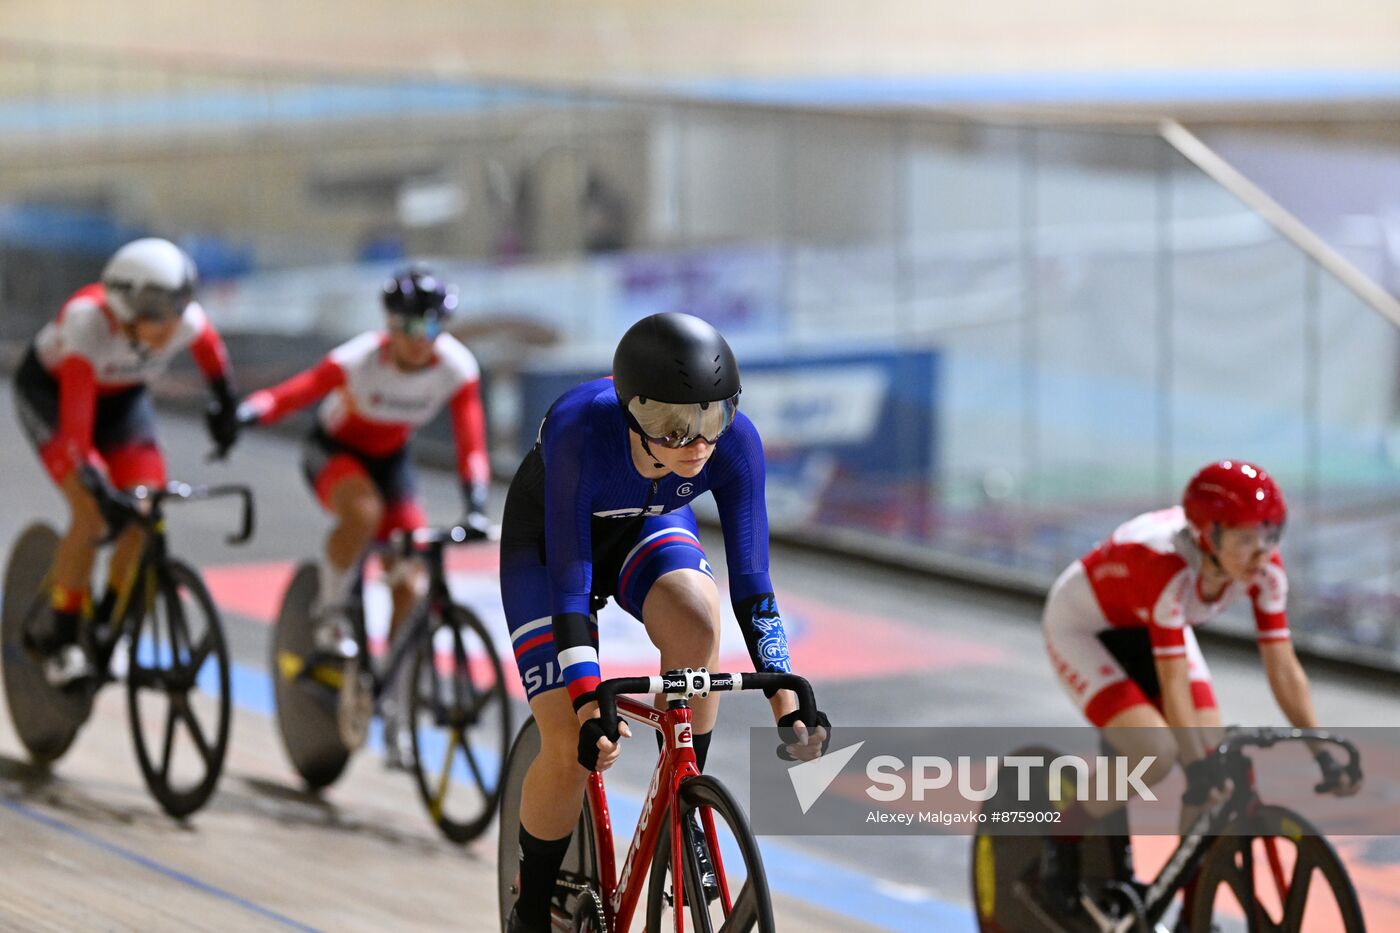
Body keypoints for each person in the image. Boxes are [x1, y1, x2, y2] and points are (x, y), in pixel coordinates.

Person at [500, 311, 830, 933]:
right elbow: (571, 588)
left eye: (712, 418)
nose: (698, 443)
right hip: (550, 549)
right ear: (633, 412)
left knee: (698, 624)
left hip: (645, 527)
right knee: (568, 747)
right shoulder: (581, 425)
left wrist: (788, 702)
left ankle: (683, 798)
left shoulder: (736, 445)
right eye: (674, 427)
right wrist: (584, 700)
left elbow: (754, 591)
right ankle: (531, 908)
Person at [1037, 459, 1359, 913]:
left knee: (1212, 771)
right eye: (1246, 539)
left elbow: (1283, 665)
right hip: (1086, 630)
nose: (1262, 552)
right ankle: (1061, 844)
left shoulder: (1264, 569)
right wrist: (1197, 765)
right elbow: (1172, 682)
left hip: (1155, 622)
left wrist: (1321, 749)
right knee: (1156, 754)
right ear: (1208, 536)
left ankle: (1191, 906)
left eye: (1269, 534)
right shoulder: (1165, 568)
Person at [236, 265, 490, 766]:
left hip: (391, 462)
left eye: (433, 327)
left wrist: (476, 502)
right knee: (363, 513)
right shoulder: (358, 359)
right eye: (412, 328)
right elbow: (297, 393)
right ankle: (329, 613)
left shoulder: (457, 368)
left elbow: (471, 439)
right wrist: (246, 413)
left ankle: (394, 697)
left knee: (410, 579)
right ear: (390, 325)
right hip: (334, 452)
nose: (423, 340)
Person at [13, 237, 241, 686]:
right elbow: (78, 429)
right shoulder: (86, 324)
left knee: (144, 512)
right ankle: (61, 639)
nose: (170, 322)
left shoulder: (184, 322)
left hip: (122, 403)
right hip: (55, 398)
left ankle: (104, 624)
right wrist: (93, 478)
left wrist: (226, 407)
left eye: (177, 303)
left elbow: (215, 362)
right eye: (156, 308)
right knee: (92, 514)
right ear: (123, 302)